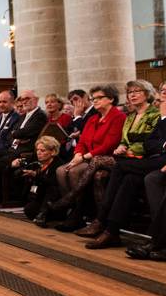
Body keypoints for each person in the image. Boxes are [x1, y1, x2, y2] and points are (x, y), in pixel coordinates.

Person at [78, 74, 166, 245]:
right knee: (129, 179)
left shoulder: (162, 112)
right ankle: (112, 231)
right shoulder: (146, 114)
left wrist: (165, 123)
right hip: (157, 156)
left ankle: (101, 220)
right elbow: (152, 141)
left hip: (164, 159)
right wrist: (164, 143)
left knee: (117, 167)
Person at [75, 80, 160, 245]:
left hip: (144, 159)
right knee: (102, 175)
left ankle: (98, 220)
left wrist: (131, 149)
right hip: (128, 160)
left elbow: (152, 141)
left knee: (101, 162)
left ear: (147, 94)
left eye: (137, 91)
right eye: (130, 92)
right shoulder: (130, 117)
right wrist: (121, 147)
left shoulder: (155, 115)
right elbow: (124, 139)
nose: (132, 95)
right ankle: (110, 230)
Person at [50, 85, 125, 230]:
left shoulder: (118, 117)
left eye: (99, 98)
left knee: (73, 171)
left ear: (110, 99)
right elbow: (82, 141)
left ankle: (76, 212)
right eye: (93, 98)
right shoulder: (93, 119)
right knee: (60, 170)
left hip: (106, 158)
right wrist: (78, 154)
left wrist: (84, 157)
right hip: (87, 157)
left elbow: (110, 144)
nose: (94, 101)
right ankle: (73, 210)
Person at [18, 136, 65, 226]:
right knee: (29, 210)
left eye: (42, 151)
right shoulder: (37, 163)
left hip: (54, 200)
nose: (38, 153)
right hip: (39, 197)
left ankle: (44, 213)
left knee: (52, 189)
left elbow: (53, 184)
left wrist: (36, 175)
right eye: (37, 150)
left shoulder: (58, 165)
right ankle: (43, 214)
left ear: (53, 152)